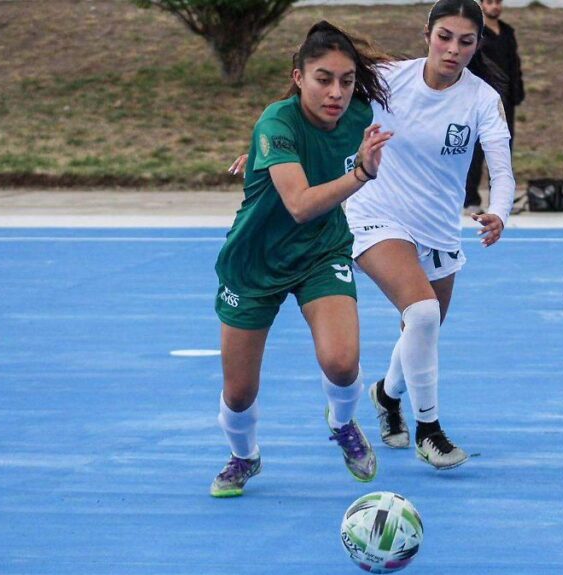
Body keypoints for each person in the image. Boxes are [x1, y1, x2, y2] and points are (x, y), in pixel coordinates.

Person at [209, 21, 393, 498]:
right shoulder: (276, 123)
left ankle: (342, 421)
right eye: (323, 79)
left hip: (320, 250)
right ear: (298, 77)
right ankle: (244, 457)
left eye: (346, 80)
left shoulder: (359, 116)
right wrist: (360, 174)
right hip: (255, 263)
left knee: (341, 360)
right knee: (240, 393)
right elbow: (299, 204)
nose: (336, 92)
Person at [349, 0, 515, 470]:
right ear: (427, 33)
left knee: (423, 325)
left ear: (477, 44)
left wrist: (498, 211)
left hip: (438, 226)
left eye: (466, 41)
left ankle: (386, 395)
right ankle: (430, 430)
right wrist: (269, 141)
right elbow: (317, 99)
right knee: (422, 313)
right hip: (375, 212)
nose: (453, 49)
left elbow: (502, 171)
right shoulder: (387, 78)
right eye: (444, 37)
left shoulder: (483, 99)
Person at [463, 0, 524, 214]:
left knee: (502, 149)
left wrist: (517, 91)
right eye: (490, 2)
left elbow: (514, 64)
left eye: (498, 2)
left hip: (505, 101)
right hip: (480, 100)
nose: (495, 6)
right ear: (482, 5)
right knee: (476, 151)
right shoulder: (477, 35)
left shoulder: (507, 32)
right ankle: (470, 199)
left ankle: (500, 200)